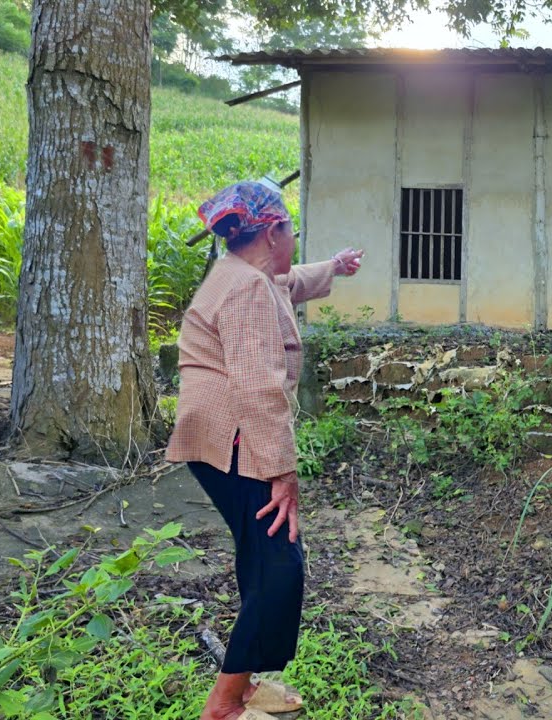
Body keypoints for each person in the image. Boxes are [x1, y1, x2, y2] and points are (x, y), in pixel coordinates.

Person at [166, 180, 364, 720]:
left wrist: (335, 267)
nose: (294, 238)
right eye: (291, 228)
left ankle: (243, 683)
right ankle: (226, 702)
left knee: (261, 555)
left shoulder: (245, 273)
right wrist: (283, 472)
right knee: (281, 564)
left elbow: (292, 282)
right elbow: (259, 385)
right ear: (274, 232)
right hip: (235, 437)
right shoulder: (249, 289)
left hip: (216, 435)